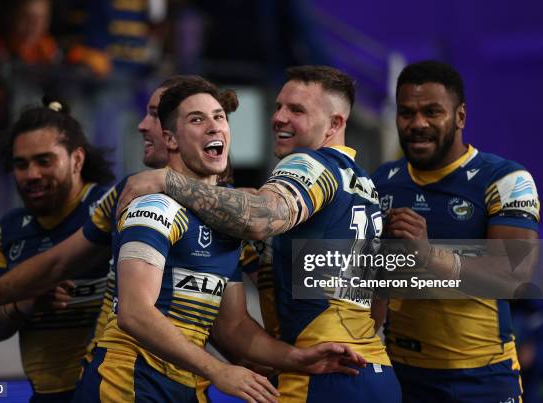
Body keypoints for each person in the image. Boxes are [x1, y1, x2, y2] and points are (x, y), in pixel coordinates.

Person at [0, 76, 366, 402]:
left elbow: (232, 325)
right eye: (196, 118)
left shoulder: (230, 214)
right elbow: (132, 312)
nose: (143, 124)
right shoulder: (150, 203)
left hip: (183, 384)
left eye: (219, 118)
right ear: (171, 138)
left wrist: (295, 359)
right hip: (128, 382)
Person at [113, 65, 402, 402]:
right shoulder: (363, 186)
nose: (278, 117)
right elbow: (377, 303)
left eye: (296, 110)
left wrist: (168, 180)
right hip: (370, 368)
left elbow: (261, 219)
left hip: (323, 375)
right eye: (279, 106)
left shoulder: (309, 163)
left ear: (335, 124)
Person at [371, 60, 540, 402]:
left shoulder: (507, 180)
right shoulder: (382, 181)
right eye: (407, 113)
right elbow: (374, 283)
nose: (418, 124)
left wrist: (430, 254)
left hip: (482, 378)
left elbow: (515, 275)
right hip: (402, 375)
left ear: (460, 116)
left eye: (432, 112)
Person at [0, 96, 115, 402]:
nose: (31, 174)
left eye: (44, 160)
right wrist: (24, 303)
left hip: (113, 393)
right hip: (45, 395)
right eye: (20, 164)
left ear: (77, 160)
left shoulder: (113, 207)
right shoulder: (10, 229)